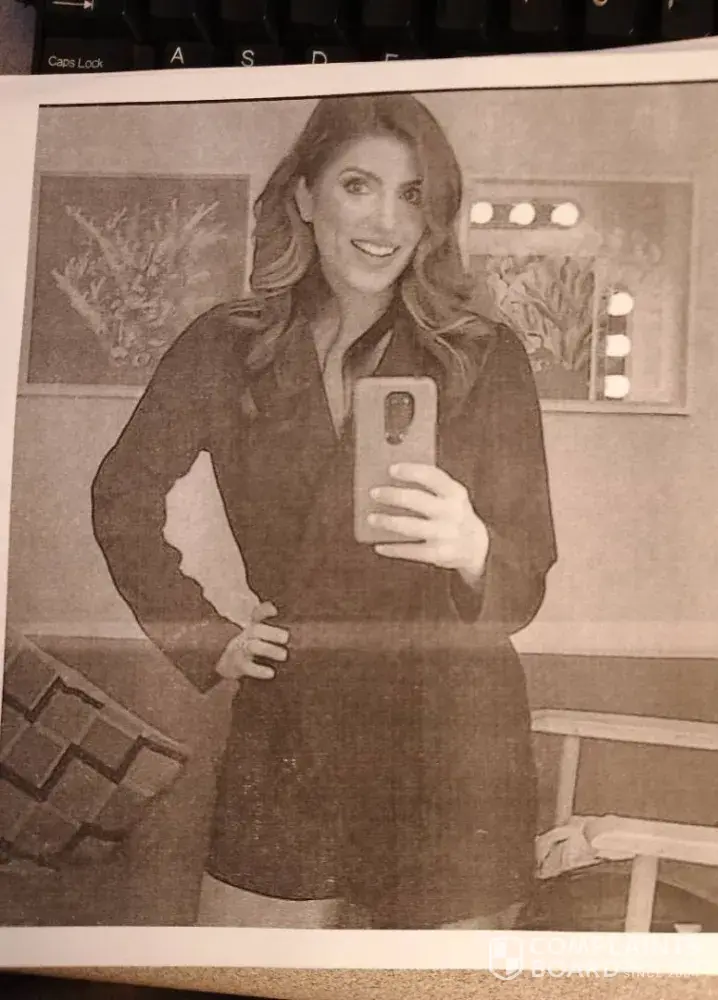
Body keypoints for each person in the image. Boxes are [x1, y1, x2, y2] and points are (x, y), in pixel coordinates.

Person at [91, 93, 557, 930]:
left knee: (428, 990)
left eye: (412, 194)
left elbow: (525, 583)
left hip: (449, 724)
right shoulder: (226, 345)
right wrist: (202, 635)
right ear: (304, 196)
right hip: (293, 710)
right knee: (254, 976)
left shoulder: (483, 356)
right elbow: (121, 495)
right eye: (357, 185)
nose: (386, 222)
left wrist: (474, 547)